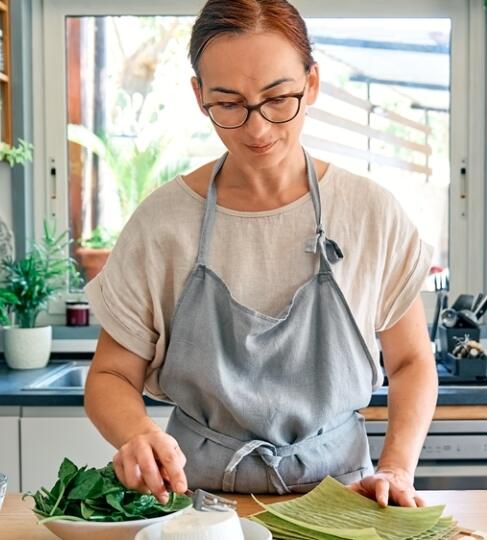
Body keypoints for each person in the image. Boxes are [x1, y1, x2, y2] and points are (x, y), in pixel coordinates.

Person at [83, 0, 438, 508]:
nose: (257, 128)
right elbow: (111, 375)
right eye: (229, 104)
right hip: (196, 506)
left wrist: (398, 469)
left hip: (345, 501)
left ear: (311, 84)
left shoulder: (370, 213)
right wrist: (136, 433)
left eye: (278, 99)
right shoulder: (163, 223)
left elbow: (410, 362)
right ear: (199, 95)